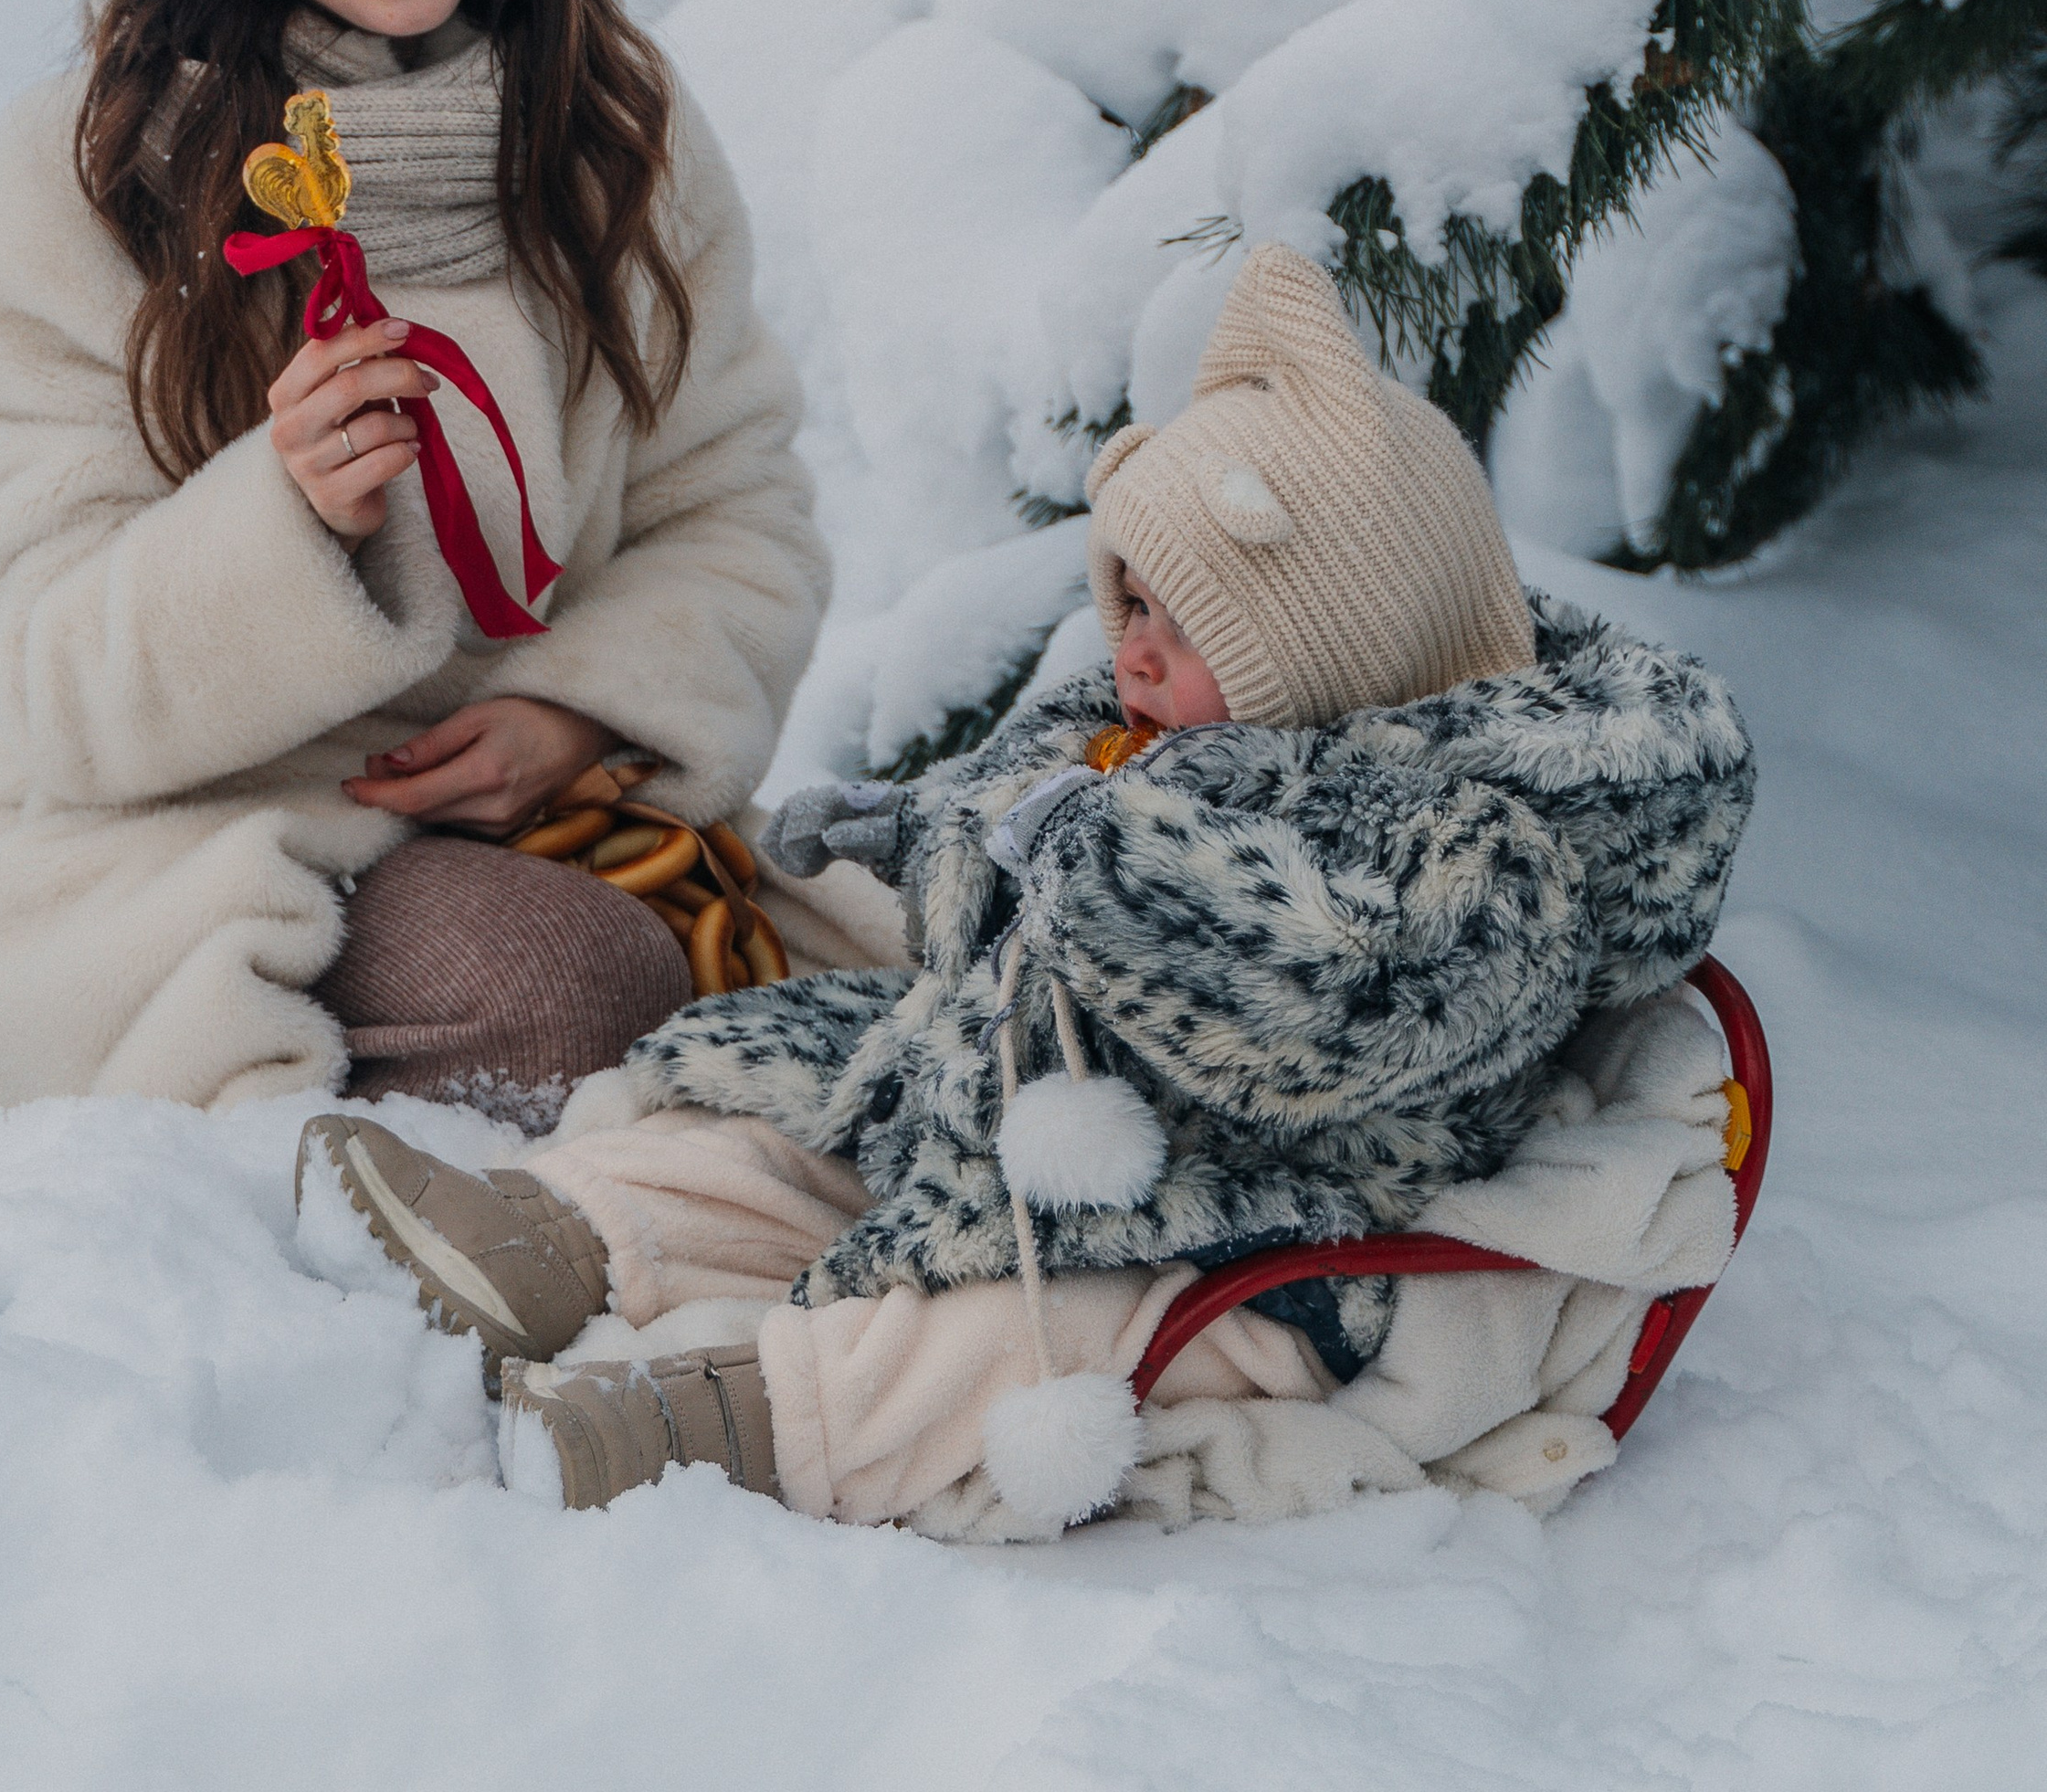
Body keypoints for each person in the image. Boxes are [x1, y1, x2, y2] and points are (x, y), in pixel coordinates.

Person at [297, 245, 1755, 1536]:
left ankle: (728, 1424)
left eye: (1186, 624)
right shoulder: (1160, 734)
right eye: (1130, 606)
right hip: (1034, 1111)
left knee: (1003, 1337)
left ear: (1329, 645)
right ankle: (559, 1235)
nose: (1130, 651)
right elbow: (1011, 864)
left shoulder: (1472, 851)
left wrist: (1102, 860)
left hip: (1260, 1217)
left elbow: (1327, 1000)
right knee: (809, 1114)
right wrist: (935, 831)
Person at [0, 0, 829, 1120]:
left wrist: (574, 707)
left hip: (554, 817)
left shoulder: (612, 131)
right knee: (580, 992)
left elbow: (737, 504)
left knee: (826, 1003)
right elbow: (50, 663)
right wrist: (288, 517)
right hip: (203, 848)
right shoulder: (84, 177)